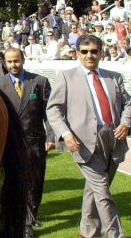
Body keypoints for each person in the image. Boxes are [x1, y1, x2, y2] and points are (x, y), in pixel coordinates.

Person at [47, 34, 131, 238]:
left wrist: (126, 122)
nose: (89, 56)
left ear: (101, 53)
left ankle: (86, 232)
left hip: (112, 140)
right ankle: (115, 234)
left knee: (94, 190)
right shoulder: (66, 77)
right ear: (77, 54)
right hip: (82, 143)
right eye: (84, 52)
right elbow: (53, 109)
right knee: (102, 191)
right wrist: (65, 133)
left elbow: (128, 103)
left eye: (94, 51)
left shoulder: (114, 77)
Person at [0, 48, 52, 238]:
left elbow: (50, 113)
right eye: (9, 62)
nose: (13, 65)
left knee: (34, 183)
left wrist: (51, 137)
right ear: (4, 63)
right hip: (9, 144)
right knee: (10, 183)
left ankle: (28, 220)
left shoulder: (39, 82)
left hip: (34, 142)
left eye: (16, 61)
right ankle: (13, 217)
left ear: (23, 60)